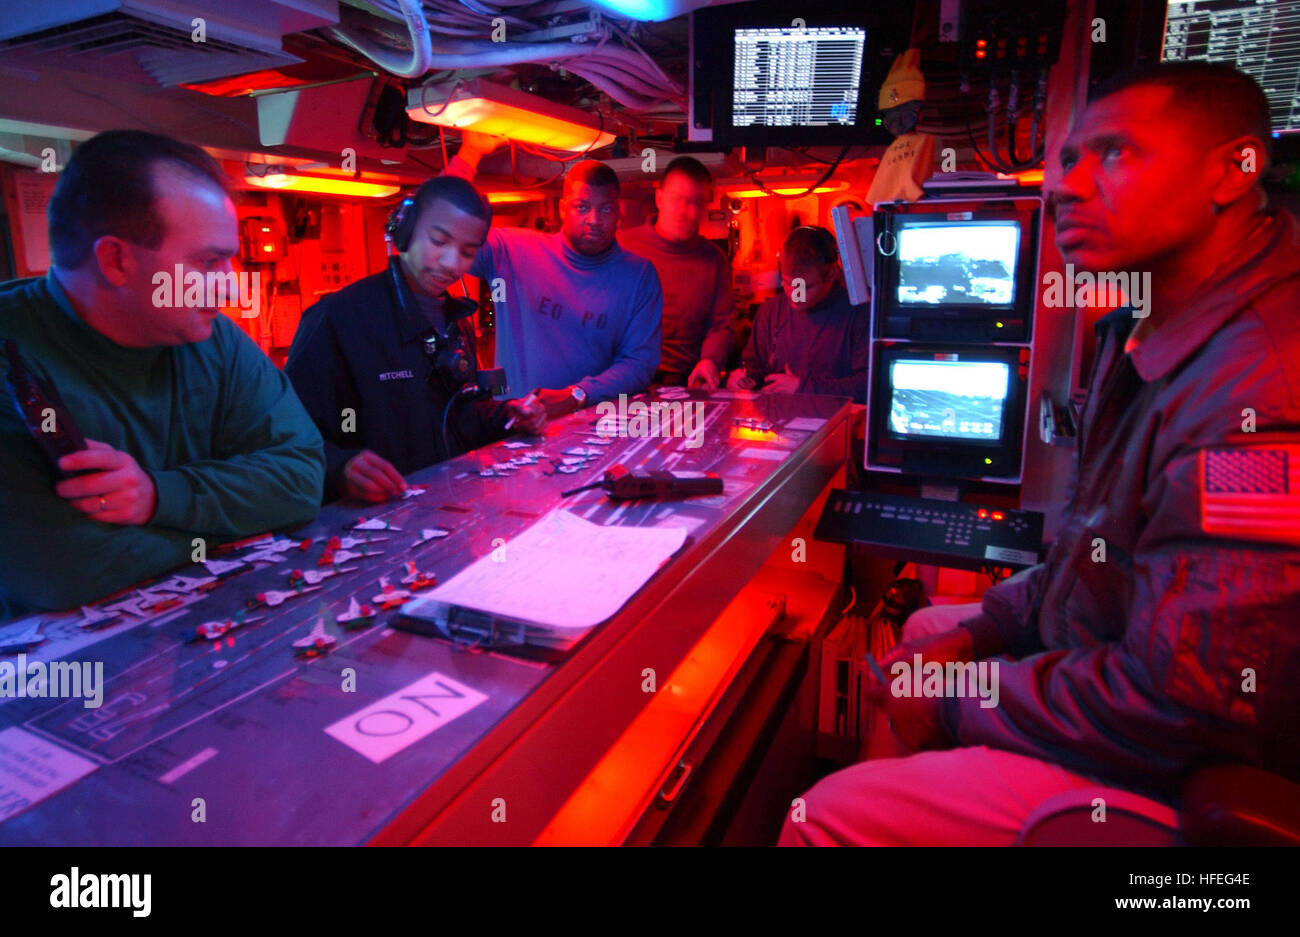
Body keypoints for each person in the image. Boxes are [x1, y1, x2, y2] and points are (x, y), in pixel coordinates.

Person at [781, 62, 1300, 846]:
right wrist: (984, 629)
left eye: (1116, 155)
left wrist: (959, 698)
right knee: (925, 632)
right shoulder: (1142, 323)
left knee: (820, 816)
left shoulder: (1258, 391)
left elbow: (1185, 704)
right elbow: (1089, 564)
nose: (1068, 188)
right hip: (1113, 665)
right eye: (1070, 160)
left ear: (1234, 170)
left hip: (1179, 776)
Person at [0, 130, 324, 618]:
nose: (232, 287)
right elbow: (66, 572)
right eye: (208, 262)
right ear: (116, 260)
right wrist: (241, 524)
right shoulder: (13, 358)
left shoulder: (214, 340)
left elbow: (301, 479)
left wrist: (157, 496)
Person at [285, 176, 545, 503]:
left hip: (446, 515)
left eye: (467, 252)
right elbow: (285, 437)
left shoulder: (457, 323)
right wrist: (340, 468)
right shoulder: (336, 319)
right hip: (369, 529)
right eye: (438, 241)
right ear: (405, 231)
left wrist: (508, 415)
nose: (452, 264)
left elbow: (460, 418)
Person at [447, 133, 662, 420]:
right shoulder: (510, 250)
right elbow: (442, 227)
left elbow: (640, 363)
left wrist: (578, 395)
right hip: (512, 430)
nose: (594, 220)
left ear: (619, 213)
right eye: (582, 207)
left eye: (606, 209)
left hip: (593, 431)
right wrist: (470, 153)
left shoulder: (639, 276)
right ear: (563, 209)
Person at [617, 156, 733, 389]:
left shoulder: (714, 260)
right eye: (678, 200)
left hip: (687, 385)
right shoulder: (622, 247)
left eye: (696, 203)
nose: (687, 212)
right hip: (625, 384)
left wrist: (710, 361)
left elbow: (722, 325)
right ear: (659, 198)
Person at [727, 226, 868, 403]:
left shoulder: (858, 314)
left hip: (836, 423)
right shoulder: (770, 312)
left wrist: (803, 388)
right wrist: (743, 379)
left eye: (805, 287)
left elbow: (867, 386)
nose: (795, 295)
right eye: (788, 283)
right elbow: (753, 366)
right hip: (776, 422)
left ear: (831, 274)